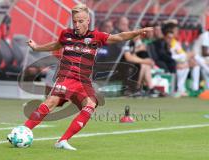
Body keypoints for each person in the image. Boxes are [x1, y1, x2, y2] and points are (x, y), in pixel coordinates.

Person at [14, 4, 153, 150]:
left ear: (88, 21)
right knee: (51, 102)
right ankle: (22, 131)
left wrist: (138, 32)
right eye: (75, 21)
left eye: (81, 21)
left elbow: (119, 37)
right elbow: (56, 45)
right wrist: (37, 47)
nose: (77, 24)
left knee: (90, 104)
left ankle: (62, 141)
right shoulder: (66, 34)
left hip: (83, 81)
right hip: (66, 76)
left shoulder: (96, 36)